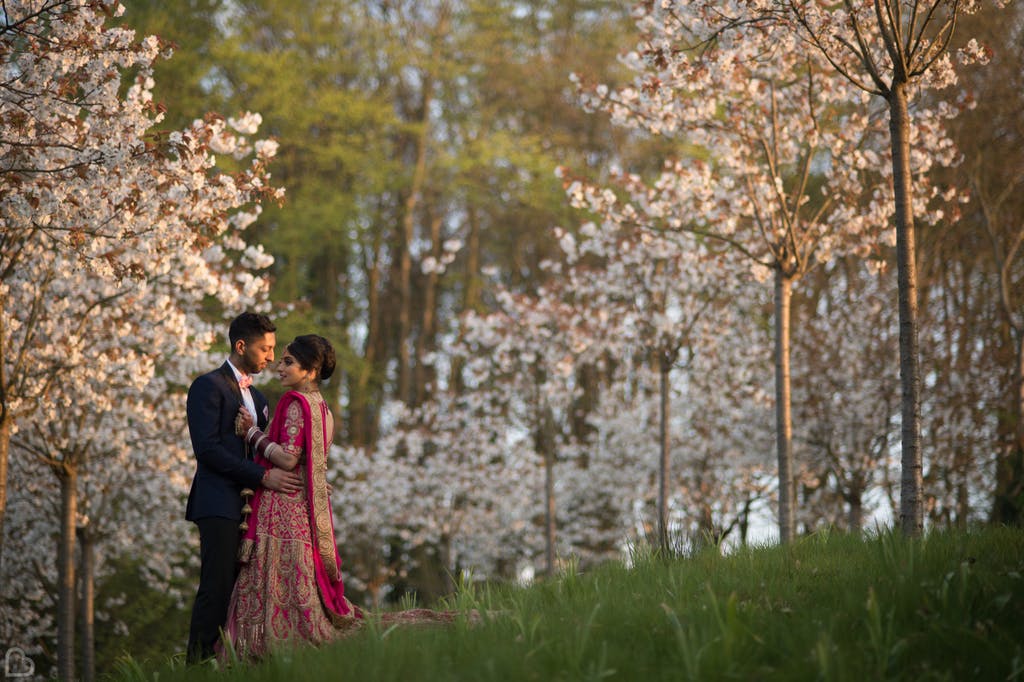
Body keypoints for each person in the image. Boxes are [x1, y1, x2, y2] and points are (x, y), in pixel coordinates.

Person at [224, 334, 458, 660]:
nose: (279, 365)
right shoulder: (323, 409)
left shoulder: (295, 403)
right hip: (301, 514)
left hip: (282, 511)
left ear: (311, 369)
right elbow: (312, 466)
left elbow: (289, 459)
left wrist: (251, 432)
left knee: (274, 588)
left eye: (289, 361)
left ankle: (264, 652)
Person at [185, 312, 304, 663]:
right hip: (219, 502)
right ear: (241, 346)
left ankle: (237, 663)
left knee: (248, 590)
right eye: (265, 349)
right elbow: (207, 450)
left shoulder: (263, 399)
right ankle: (198, 665)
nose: (271, 357)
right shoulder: (207, 386)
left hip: (257, 511)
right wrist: (262, 478)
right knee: (217, 587)